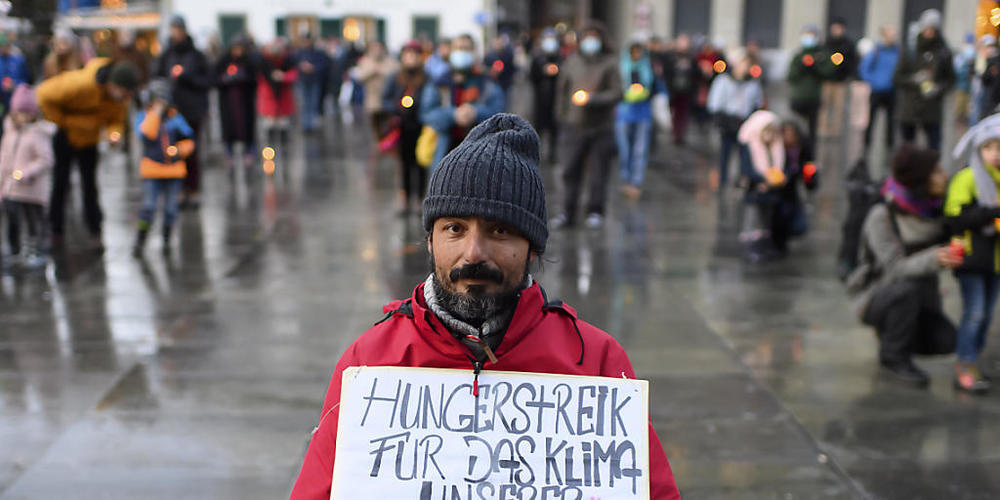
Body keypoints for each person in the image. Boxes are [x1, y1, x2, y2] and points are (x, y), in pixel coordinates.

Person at [289, 113, 680, 499]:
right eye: (454, 229)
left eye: (499, 230)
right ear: (430, 240)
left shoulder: (596, 362)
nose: (473, 253)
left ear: (532, 247)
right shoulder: (370, 361)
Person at [847, 145, 959, 386]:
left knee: (946, 341)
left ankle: (896, 334)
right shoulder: (883, 215)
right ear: (921, 179)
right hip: (875, 295)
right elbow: (895, 268)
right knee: (904, 291)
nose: (944, 176)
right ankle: (893, 356)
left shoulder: (934, 211)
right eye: (937, 172)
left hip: (922, 298)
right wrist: (934, 258)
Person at [37, 58, 138, 250]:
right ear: (113, 84)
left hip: (89, 141)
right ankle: (55, 231)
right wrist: (62, 122)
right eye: (123, 91)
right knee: (60, 184)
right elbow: (43, 95)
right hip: (65, 137)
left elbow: (116, 121)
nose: (124, 97)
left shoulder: (119, 101)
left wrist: (113, 135)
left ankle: (95, 231)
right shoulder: (81, 83)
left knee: (90, 186)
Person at [945, 114, 1000, 393]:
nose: (995, 155)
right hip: (971, 257)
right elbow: (955, 217)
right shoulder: (968, 178)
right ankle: (964, 363)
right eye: (989, 148)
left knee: (987, 314)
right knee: (974, 312)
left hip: (996, 260)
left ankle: (974, 359)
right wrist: (991, 213)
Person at [550, 22, 621, 229]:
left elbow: (617, 92)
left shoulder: (609, 63)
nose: (591, 42)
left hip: (601, 126)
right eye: (587, 37)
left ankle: (595, 210)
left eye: (594, 37)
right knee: (570, 170)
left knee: (599, 172)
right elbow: (562, 91)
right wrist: (561, 117)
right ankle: (567, 212)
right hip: (574, 125)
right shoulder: (572, 62)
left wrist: (594, 99)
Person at [419, 33, 505, 170]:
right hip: (444, 153)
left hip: (479, 159)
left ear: (474, 53)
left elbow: (499, 114)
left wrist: (475, 113)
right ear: (451, 52)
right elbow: (426, 113)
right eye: (458, 48)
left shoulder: (487, 83)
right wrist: (453, 115)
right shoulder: (439, 83)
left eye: (466, 49)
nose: (461, 53)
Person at [131, 80, 195, 257]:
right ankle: (140, 239)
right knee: (149, 207)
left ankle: (166, 238)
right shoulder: (143, 117)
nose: (160, 104)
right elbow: (146, 134)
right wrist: (155, 114)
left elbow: (189, 139)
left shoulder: (175, 118)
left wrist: (179, 151)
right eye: (156, 100)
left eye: (163, 101)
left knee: (171, 209)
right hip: (152, 171)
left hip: (174, 171)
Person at [155, 15, 210, 209]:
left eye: (178, 29)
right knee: (174, 152)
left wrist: (187, 77)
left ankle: (193, 189)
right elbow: (158, 78)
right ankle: (179, 190)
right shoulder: (167, 54)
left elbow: (207, 81)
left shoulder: (196, 56)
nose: (175, 33)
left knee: (192, 153)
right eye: (173, 29)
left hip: (193, 111)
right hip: (173, 112)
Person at [0, 85, 55, 267]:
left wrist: (25, 173)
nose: (23, 117)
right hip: (11, 187)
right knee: (12, 218)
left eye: (27, 113)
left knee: (33, 221)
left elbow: (45, 159)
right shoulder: (9, 133)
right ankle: (14, 250)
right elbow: (5, 156)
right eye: (19, 113)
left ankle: (35, 250)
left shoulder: (38, 133)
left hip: (32, 188)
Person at [894, 9, 954, 152]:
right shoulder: (910, 49)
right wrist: (914, 80)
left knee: (934, 145)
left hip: (931, 107)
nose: (929, 33)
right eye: (927, 28)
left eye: (933, 29)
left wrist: (939, 88)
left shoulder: (943, 52)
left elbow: (950, 79)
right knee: (908, 146)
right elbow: (897, 78)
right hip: (910, 107)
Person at [381, 40, 428, 214]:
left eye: (414, 55)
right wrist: (397, 108)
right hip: (401, 127)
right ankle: (405, 199)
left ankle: (420, 198)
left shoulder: (425, 78)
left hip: (420, 126)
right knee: (404, 165)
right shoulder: (395, 77)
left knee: (421, 164)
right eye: (408, 55)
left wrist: (418, 106)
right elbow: (385, 99)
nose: (411, 59)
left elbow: (430, 99)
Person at [707, 51, 764, 191]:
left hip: (745, 122)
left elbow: (757, 102)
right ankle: (722, 180)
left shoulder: (753, 83)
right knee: (725, 153)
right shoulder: (724, 80)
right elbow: (715, 102)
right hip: (727, 122)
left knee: (745, 154)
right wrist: (721, 120)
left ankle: (744, 179)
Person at [615, 40, 657, 201]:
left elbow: (652, 86)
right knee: (624, 147)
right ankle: (625, 177)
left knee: (640, 149)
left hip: (642, 112)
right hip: (624, 111)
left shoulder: (647, 67)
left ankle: (636, 182)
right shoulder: (622, 67)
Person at [215, 35, 258, 170]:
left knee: (247, 127)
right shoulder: (223, 61)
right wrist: (225, 79)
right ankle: (229, 155)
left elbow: (255, 79)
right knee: (229, 128)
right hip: (228, 102)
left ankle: (249, 152)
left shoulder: (249, 62)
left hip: (245, 101)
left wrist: (243, 78)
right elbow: (214, 78)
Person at [859, 26, 900, 150]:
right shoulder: (876, 51)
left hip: (891, 91)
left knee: (891, 120)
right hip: (877, 90)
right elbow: (864, 69)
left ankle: (889, 143)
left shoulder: (897, 52)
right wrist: (874, 82)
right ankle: (867, 142)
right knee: (871, 118)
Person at [787, 25, 828, 147]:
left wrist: (815, 67)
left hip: (814, 98)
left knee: (812, 132)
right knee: (796, 129)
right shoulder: (798, 56)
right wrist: (801, 67)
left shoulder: (821, 55)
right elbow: (791, 76)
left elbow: (827, 72)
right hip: (798, 98)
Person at [819, 18, 858, 137]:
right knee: (824, 106)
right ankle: (823, 130)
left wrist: (848, 75)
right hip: (827, 80)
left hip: (841, 80)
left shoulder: (848, 44)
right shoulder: (827, 43)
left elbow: (852, 61)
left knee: (838, 107)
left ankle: (836, 131)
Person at [528, 28, 561, 162]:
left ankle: (553, 154)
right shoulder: (537, 57)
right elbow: (531, 76)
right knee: (539, 126)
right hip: (540, 98)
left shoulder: (560, 57)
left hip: (556, 98)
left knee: (554, 128)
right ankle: (536, 152)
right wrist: (543, 72)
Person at [257, 38, 298, 147]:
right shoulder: (264, 61)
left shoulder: (287, 59)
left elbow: (293, 73)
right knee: (270, 119)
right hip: (269, 92)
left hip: (283, 92)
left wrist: (283, 76)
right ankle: (271, 140)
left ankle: (283, 141)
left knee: (283, 120)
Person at [664, 34, 698, 146]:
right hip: (674, 90)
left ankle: (680, 135)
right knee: (674, 113)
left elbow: (696, 74)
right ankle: (674, 133)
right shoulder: (671, 56)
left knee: (683, 114)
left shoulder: (691, 57)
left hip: (686, 91)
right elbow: (666, 71)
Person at [295, 36, 331, 132]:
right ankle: (306, 123)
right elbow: (294, 65)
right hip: (303, 81)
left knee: (313, 102)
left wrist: (313, 67)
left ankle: (312, 123)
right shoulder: (300, 53)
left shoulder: (317, 53)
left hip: (314, 81)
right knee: (305, 103)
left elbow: (323, 65)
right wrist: (302, 67)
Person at [0, 33, 32, 139]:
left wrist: (16, 85)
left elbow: (27, 79)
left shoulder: (18, 60)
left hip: (16, 100)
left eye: (6, 46)